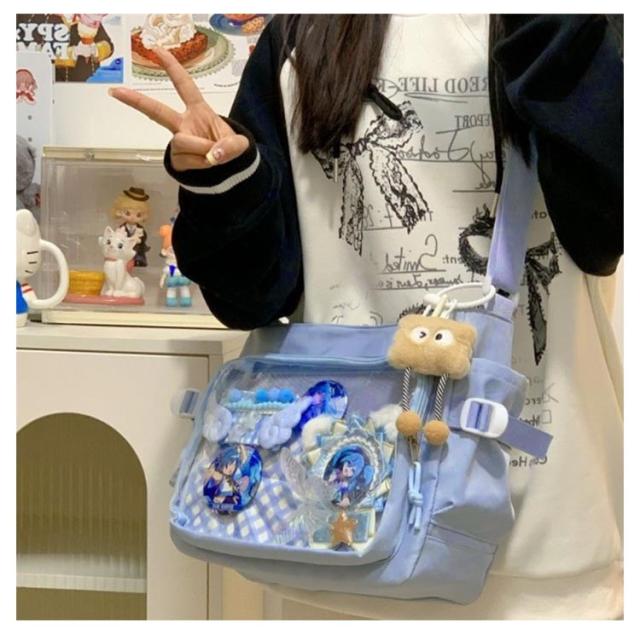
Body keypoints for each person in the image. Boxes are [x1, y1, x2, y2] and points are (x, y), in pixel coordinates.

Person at [111, 14, 623, 619]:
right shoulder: (302, 34)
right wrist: (225, 181)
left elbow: (604, 233)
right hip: (332, 540)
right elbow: (254, 298)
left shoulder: (562, 20)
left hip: (544, 546)